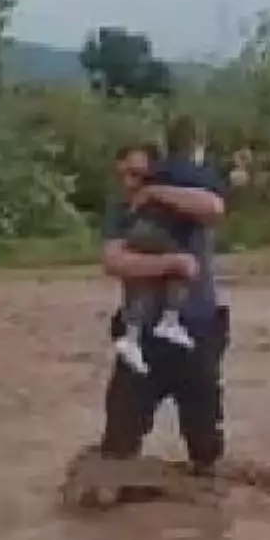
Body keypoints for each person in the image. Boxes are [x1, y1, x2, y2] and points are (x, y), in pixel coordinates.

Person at [99, 136, 230, 475]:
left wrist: (155, 193)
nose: (130, 184)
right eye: (125, 175)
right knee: (117, 445)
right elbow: (114, 261)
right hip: (140, 337)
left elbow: (214, 208)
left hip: (195, 331)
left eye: (139, 176)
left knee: (205, 448)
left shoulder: (184, 202)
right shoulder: (122, 206)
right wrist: (171, 265)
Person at [113, 117, 223, 375]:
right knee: (182, 267)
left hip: (145, 238)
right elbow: (214, 207)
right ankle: (169, 320)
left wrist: (153, 192)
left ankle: (133, 335)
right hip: (196, 318)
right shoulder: (193, 174)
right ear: (198, 145)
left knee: (143, 286)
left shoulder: (156, 175)